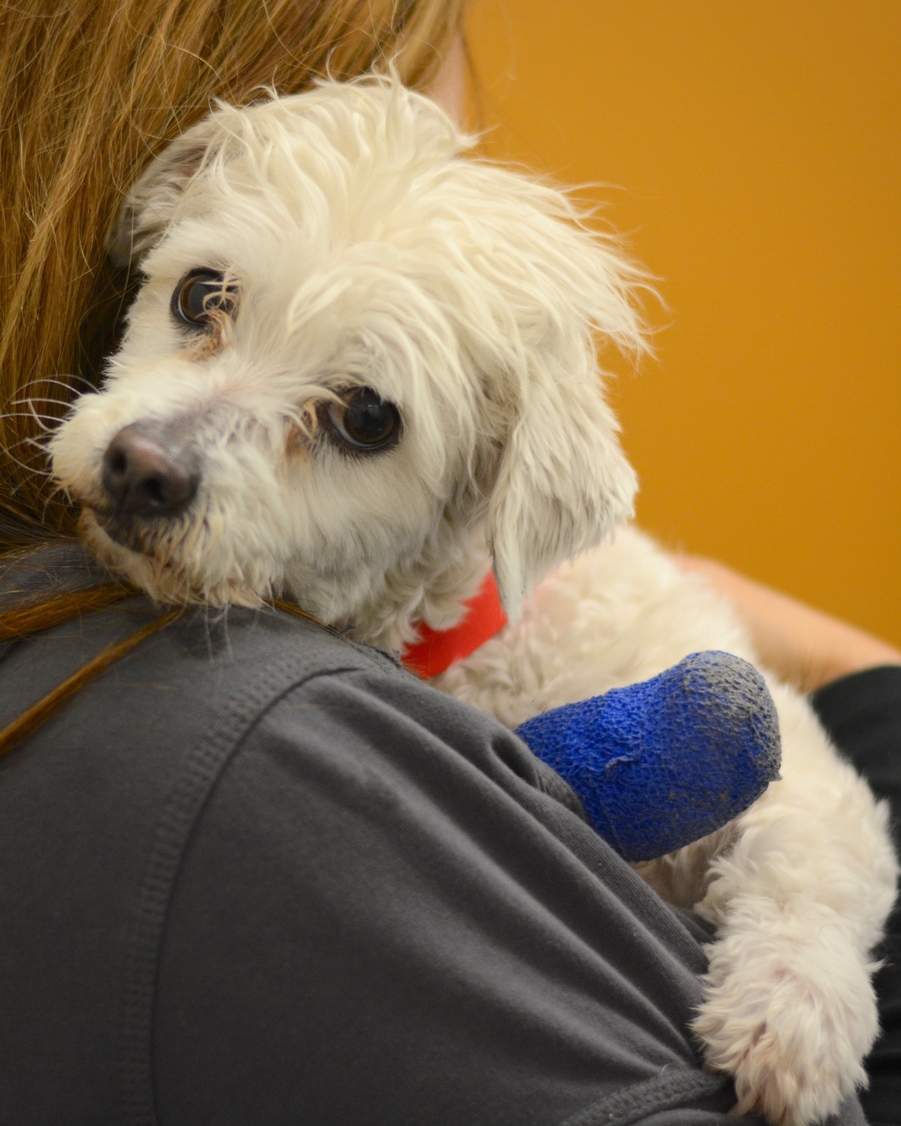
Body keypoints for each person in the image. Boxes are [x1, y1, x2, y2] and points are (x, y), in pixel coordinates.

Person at [0, 3, 898, 1123]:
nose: (160, 446)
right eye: (202, 305)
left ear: (491, 490)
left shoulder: (611, 646)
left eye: (358, 417)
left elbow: (811, 807)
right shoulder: (245, 743)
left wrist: (799, 947)